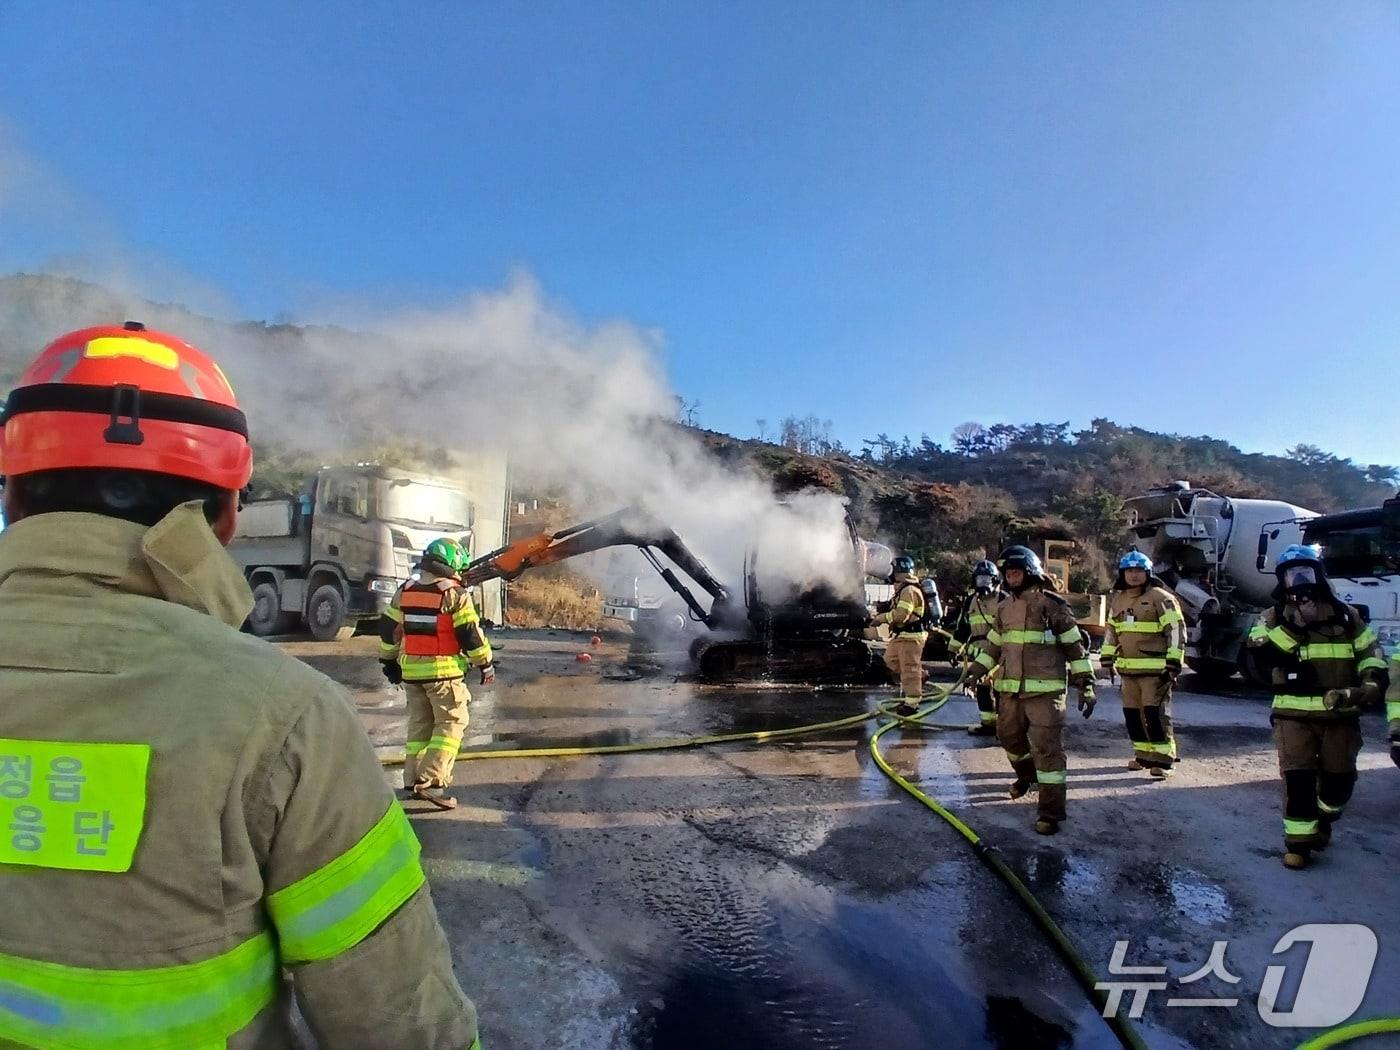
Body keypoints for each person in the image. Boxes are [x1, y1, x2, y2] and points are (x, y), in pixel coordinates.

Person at [0, 324, 478, 1046]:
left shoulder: (310, 690)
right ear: (226, 517)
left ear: (12, 496)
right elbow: (398, 1020)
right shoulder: (287, 719)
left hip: (412, 674)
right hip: (437, 677)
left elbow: (389, 631)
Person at [1247, 544, 1388, 870]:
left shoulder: (1345, 615)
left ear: (1318, 575)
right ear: (1282, 580)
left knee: (1340, 781)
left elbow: (1370, 653)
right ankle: (1298, 844)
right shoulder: (1272, 616)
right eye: (1291, 575)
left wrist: (1371, 683)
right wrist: (1295, 627)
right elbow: (1262, 655)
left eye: (1305, 572)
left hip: (1340, 714)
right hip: (1292, 714)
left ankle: (1324, 817)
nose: (1299, 580)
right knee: (1297, 779)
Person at [968, 545, 1095, 835]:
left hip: (1045, 696)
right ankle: (1027, 776)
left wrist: (1086, 684)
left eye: (1016, 572)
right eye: (1008, 573)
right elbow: (993, 646)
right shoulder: (1004, 608)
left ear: (1031, 572)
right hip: (1010, 693)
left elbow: (1075, 648)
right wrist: (976, 671)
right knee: (1009, 738)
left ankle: (1050, 813)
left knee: (1047, 752)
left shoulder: (1053, 606)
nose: (1011, 577)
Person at [380, 538, 495, 810]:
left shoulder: (405, 590)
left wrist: (389, 661)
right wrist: (485, 664)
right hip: (443, 674)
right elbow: (469, 633)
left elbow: (388, 629)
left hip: (412, 674)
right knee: (452, 722)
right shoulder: (454, 594)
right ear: (453, 563)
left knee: (420, 726)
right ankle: (431, 781)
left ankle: (412, 778)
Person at [1100, 550, 1185, 777]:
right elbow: (1111, 631)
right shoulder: (1119, 599)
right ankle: (1143, 756)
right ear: (1123, 573)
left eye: (1139, 570)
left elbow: (1176, 631)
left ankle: (1164, 761)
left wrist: (1174, 663)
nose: (1134, 575)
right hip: (1128, 672)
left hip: (1156, 672)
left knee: (1155, 715)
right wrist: (1107, 657)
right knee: (1133, 716)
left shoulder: (1161, 598)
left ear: (1147, 573)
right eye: (1129, 570)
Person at [949, 559, 1005, 737]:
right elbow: (963, 628)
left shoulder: (1004, 600)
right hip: (979, 653)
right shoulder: (971, 602)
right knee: (982, 689)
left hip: (1000, 654)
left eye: (987, 580)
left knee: (1001, 690)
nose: (983, 584)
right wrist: (953, 649)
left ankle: (1005, 728)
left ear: (995, 580)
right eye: (980, 580)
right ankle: (988, 724)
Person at [873, 554, 927, 713]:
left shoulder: (909, 590)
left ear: (898, 572)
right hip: (901, 636)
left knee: (909, 669)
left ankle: (912, 704)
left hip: (911, 637)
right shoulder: (903, 589)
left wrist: (881, 619)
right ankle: (920, 676)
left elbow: (902, 615)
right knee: (890, 660)